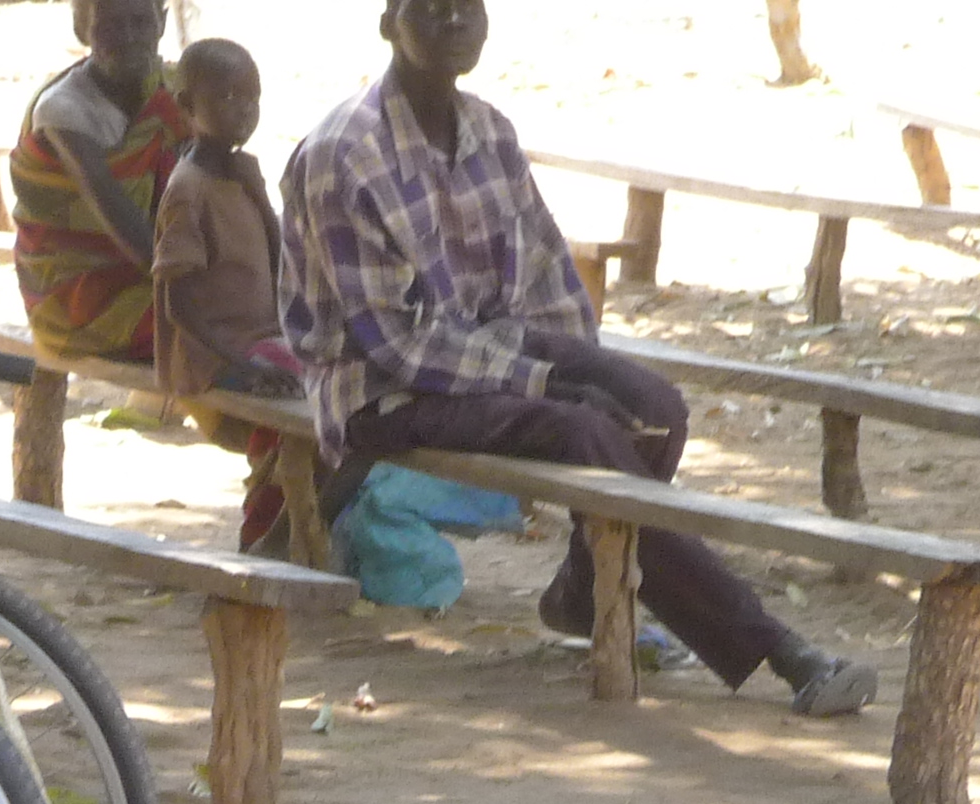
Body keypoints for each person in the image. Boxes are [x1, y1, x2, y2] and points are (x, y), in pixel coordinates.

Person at [280, 0, 879, 716]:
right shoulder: (345, 155)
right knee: (584, 432)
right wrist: (548, 387)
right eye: (430, 9)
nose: (453, 23)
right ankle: (779, 650)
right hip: (380, 390)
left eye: (467, 8)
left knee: (654, 409)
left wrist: (583, 370)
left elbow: (546, 274)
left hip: (485, 350)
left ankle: (580, 591)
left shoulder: (489, 130)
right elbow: (398, 343)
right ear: (389, 23)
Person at [151, 38, 307, 551]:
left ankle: (295, 526)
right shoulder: (188, 189)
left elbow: (278, 259)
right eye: (226, 97)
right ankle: (265, 530)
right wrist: (242, 363)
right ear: (187, 106)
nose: (244, 110)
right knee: (311, 396)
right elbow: (178, 304)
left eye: (252, 96)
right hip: (213, 356)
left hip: (261, 338)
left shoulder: (242, 173)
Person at [9, 0, 187, 364]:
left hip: (158, 270)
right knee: (221, 330)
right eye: (109, 26)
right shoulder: (63, 110)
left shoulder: (176, 89)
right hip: (78, 296)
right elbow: (124, 225)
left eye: (141, 21)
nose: (129, 37)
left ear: (162, 22)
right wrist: (205, 293)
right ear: (81, 30)